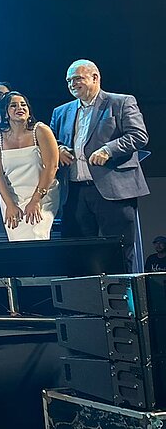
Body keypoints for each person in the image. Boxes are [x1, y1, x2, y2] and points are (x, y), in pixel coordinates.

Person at [51, 59, 149, 272]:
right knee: (79, 254)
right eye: (69, 80)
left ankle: (124, 294)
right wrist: (59, 149)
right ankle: (86, 295)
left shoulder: (120, 102)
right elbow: (51, 141)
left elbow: (139, 135)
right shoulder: (61, 112)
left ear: (95, 78)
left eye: (78, 78)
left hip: (113, 190)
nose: (72, 84)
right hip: (75, 193)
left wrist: (108, 150)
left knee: (119, 252)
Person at [0, 92, 60, 241]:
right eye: (13, 105)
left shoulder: (41, 130)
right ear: (5, 113)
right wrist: (9, 204)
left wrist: (35, 201)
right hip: (11, 197)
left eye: (23, 104)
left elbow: (51, 167)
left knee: (37, 236)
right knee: (17, 242)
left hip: (42, 193)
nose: (19, 108)